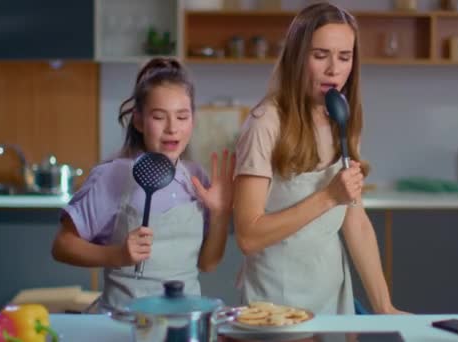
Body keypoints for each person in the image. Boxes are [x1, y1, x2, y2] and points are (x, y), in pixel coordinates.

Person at [233, 2, 404, 315]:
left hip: (332, 302)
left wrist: (384, 306)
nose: (334, 69)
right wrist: (328, 197)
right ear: (298, 58)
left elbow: (355, 220)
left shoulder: (341, 119)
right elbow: (248, 235)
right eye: (320, 55)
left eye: (344, 56)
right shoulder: (265, 123)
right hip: (274, 306)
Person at [51, 57, 234, 312]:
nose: (172, 128)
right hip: (121, 324)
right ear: (138, 121)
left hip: (181, 324)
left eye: (182, 117)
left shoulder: (197, 178)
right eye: (159, 117)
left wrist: (220, 214)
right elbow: (62, 246)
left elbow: (208, 264)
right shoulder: (113, 175)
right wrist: (117, 255)